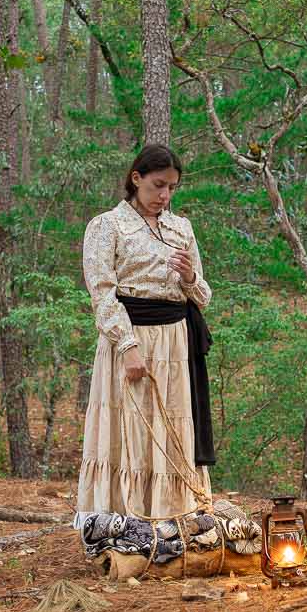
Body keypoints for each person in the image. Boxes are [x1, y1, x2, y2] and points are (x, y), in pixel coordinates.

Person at [77, 144, 215, 520]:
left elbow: (203, 295)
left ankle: (173, 517)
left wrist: (189, 276)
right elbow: (102, 292)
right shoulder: (107, 226)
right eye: (157, 185)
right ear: (136, 179)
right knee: (132, 430)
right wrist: (128, 347)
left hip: (175, 341)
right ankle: (125, 519)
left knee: (171, 428)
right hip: (130, 337)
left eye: (172, 187)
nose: (164, 196)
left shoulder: (181, 228)